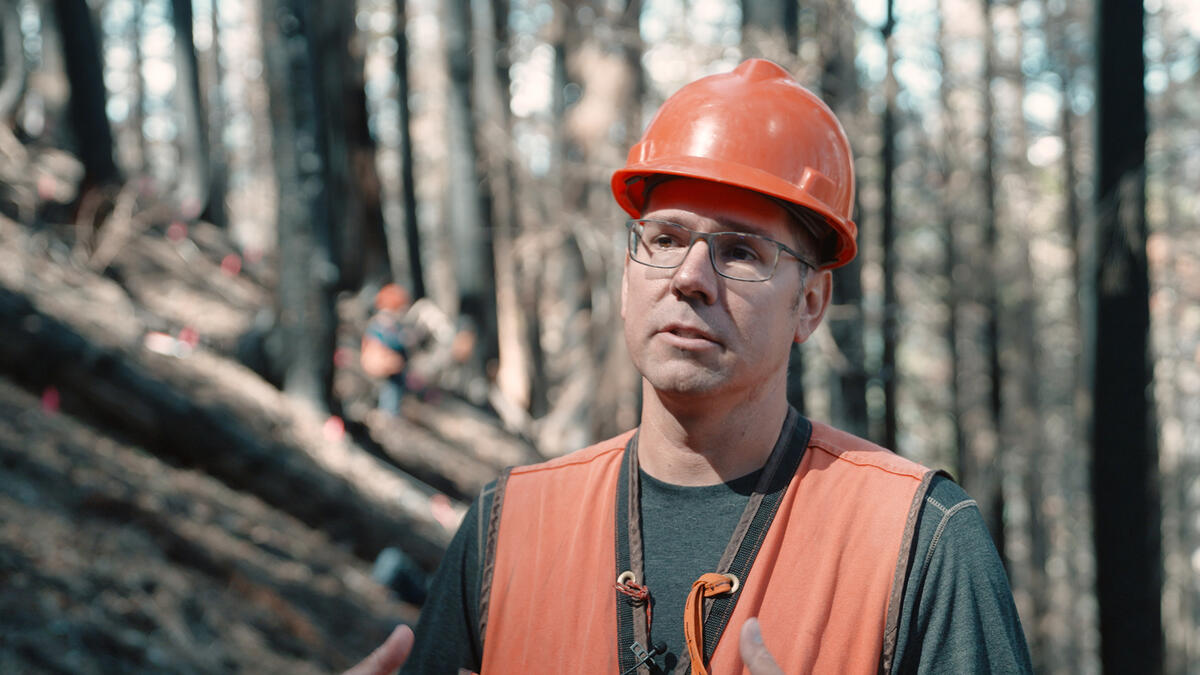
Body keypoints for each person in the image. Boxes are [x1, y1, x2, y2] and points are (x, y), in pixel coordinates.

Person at [350, 58, 1032, 674]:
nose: (690, 277)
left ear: (811, 303)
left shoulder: (918, 539)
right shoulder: (509, 529)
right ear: (627, 276)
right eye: (666, 238)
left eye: (740, 251)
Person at [361, 284, 415, 415]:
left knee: (396, 392)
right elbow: (379, 343)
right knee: (388, 393)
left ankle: (392, 413)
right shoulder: (379, 327)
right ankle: (387, 414)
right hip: (385, 369)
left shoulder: (395, 327)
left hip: (396, 370)